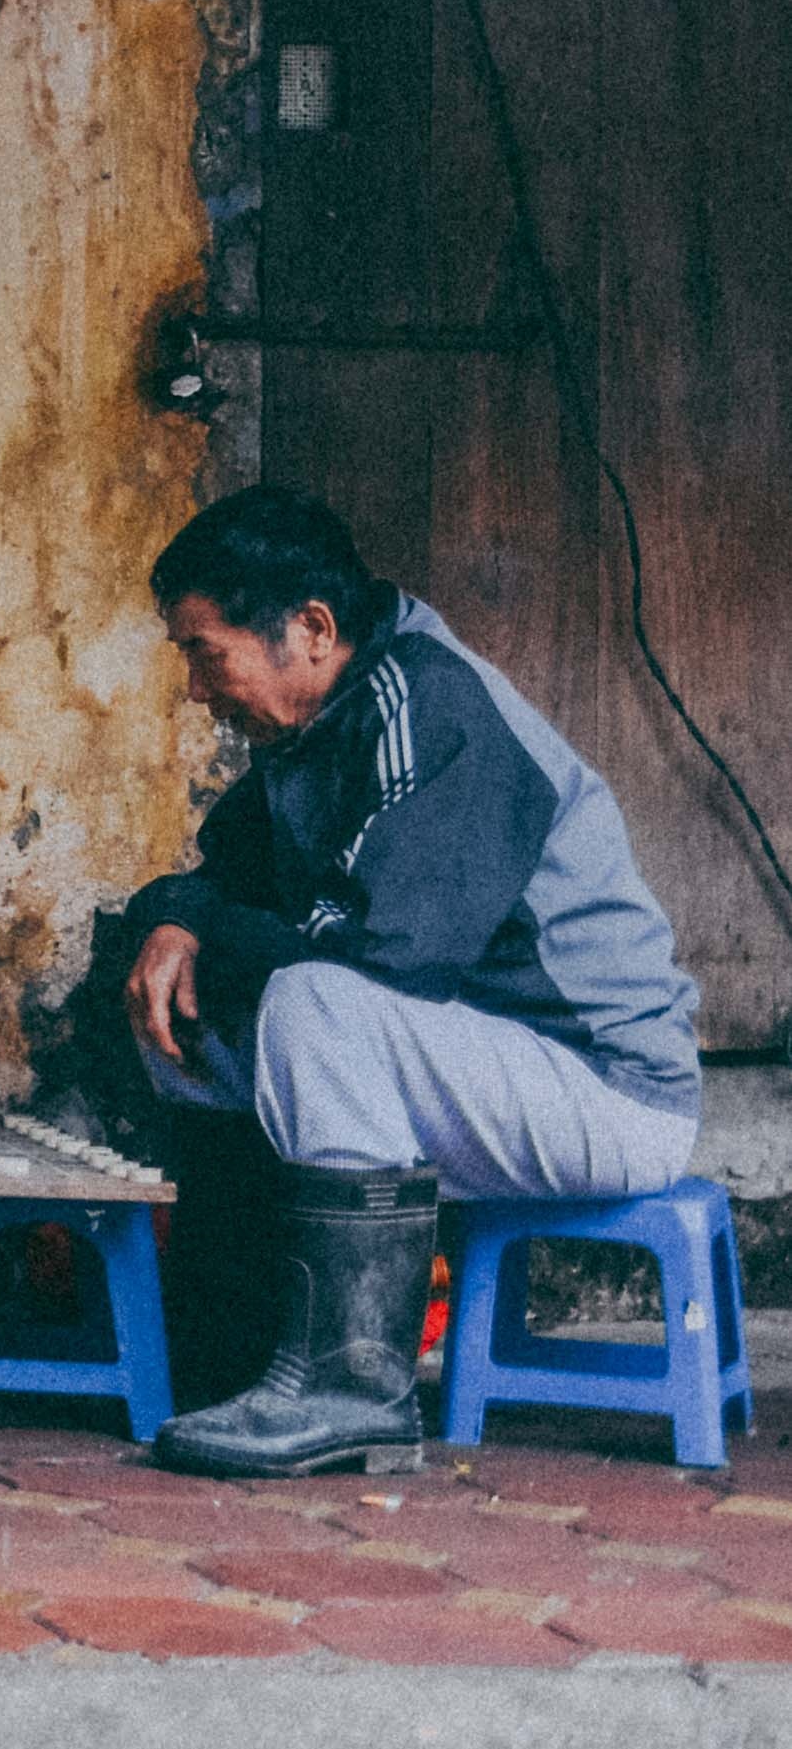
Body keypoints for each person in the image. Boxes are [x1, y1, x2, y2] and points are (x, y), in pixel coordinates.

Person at [121, 484, 700, 1478]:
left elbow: (386, 954)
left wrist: (206, 921)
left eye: (203, 652)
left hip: (603, 1089)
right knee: (170, 1001)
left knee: (314, 1003)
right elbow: (227, 866)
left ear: (309, 627)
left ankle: (354, 1388)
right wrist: (178, 914)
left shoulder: (430, 706)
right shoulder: (318, 722)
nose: (195, 687)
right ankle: (233, 1354)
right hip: (488, 1070)